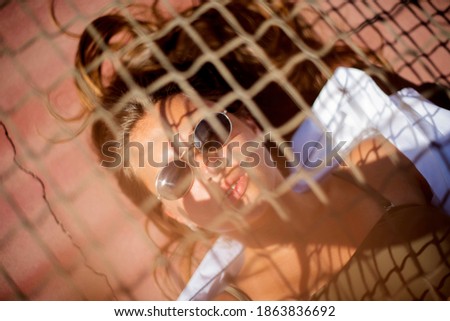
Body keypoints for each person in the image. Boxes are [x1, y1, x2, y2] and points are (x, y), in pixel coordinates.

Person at [73, 0, 450, 300]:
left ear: (249, 124)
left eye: (208, 133)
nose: (210, 167)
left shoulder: (379, 162)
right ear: (174, 214)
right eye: (176, 176)